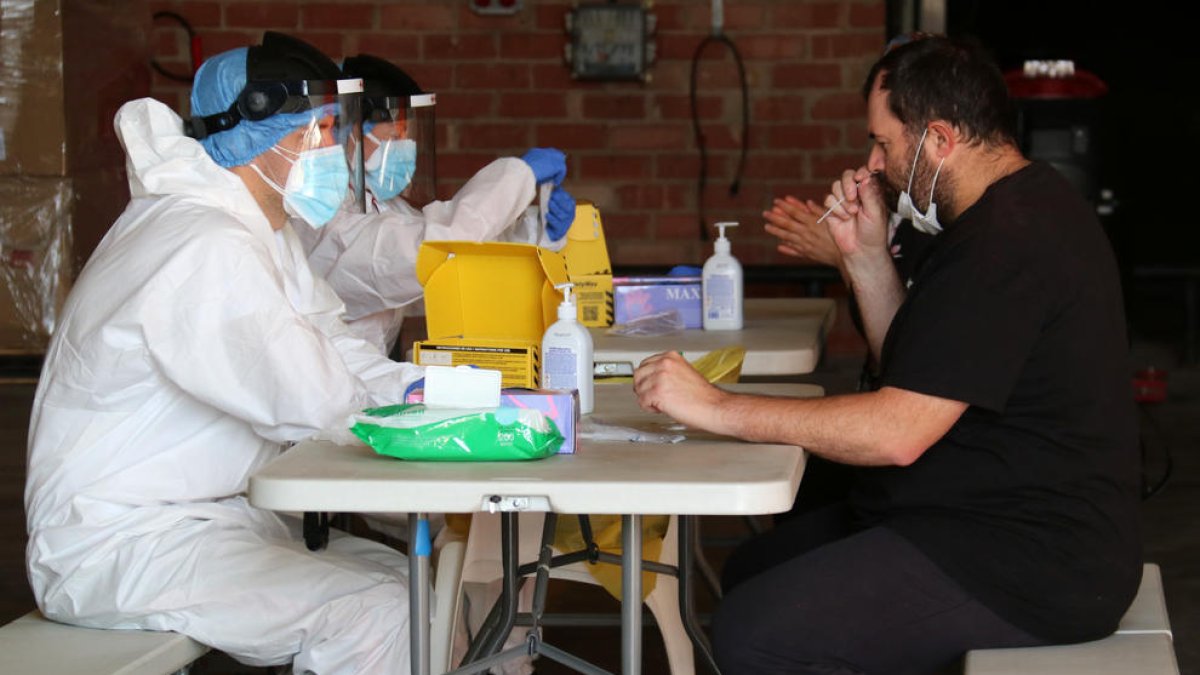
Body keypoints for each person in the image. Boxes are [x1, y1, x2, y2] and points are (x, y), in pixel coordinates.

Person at [633, 34, 1141, 674]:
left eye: (883, 141)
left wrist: (713, 406)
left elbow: (896, 433)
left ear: (939, 139)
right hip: (970, 516)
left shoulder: (1010, 243)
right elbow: (920, 367)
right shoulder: (998, 214)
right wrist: (868, 256)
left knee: (755, 633)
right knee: (754, 569)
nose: (872, 163)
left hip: (1035, 560)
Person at [25, 33, 426, 673]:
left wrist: (423, 394)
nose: (334, 151)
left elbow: (335, 344)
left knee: (421, 585)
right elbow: (313, 400)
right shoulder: (202, 243)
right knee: (381, 612)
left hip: (203, 522)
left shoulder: (255, 230)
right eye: (318, 130)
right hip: (122, 542)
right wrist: (434, 421)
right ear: (257, 132)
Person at [293, 53, 577, 355]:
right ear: (347, 130)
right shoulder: (315, 212)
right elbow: (434, 246)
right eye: (395, 133)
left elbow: (454, 267)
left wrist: (535, 232)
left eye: (408, 132)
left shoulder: (382, 206)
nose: (406, 145)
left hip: (364, 381)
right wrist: (516, 176)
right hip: (324, 386)